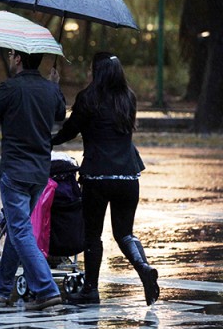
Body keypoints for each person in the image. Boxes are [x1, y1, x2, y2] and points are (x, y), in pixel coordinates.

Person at [52, 52, 159, 306]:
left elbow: (69, 130)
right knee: (125, 234)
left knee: (93, 236)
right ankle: (143, 268)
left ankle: (90, 290)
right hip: (128, 176)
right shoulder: (128, 99)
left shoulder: (88, 99)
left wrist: (47, 142)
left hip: (98, 176)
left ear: (97, 72)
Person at [0, 50, 66, 310]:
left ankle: (47, 289)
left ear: (18, 59)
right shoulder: (49, 89)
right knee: (18, 230)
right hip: (39, 173)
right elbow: (60, 114)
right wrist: (56, 86)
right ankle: (2, 287)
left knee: (20, 231)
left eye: (13, 53)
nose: (9, 55)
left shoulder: (9, 88)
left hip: (15, 172)